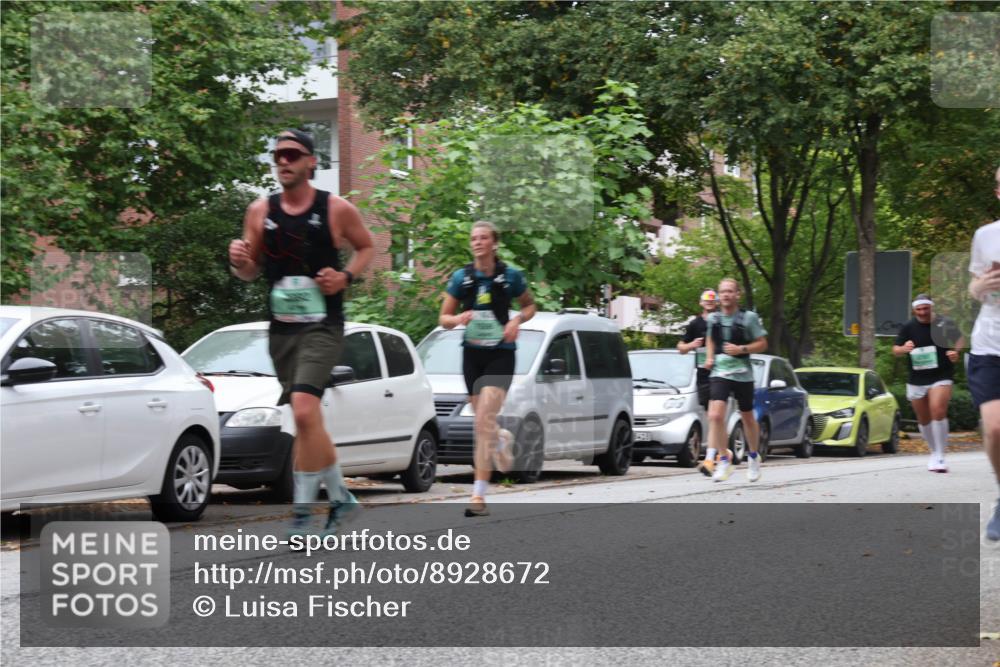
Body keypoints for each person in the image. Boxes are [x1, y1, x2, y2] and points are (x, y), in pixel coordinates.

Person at [229, 129, 374, 538]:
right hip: (282, 331)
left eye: (292, 154)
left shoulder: (335, 209)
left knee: (306, 411)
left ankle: (303, 514)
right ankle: (342, 498)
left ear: (312, 161)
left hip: (322, 326)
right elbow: (249, 271)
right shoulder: (260, 211)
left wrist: (344, 276)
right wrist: (238, 260)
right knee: (307, 420)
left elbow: (367, 247)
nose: (283, 161)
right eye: (277, 155)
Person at [439, 221, 536, 517]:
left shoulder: (510, 276)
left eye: (483, 238)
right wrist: (458, 320)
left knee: (482, 421)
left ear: (494, 243)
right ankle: (501, 437)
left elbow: (530, 306)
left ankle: (478, 497)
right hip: (472, 355)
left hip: (501, 355)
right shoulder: (462, 278)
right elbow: (443, 317)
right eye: (474, 238)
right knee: (484, 425)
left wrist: (516, 320)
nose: (477, 242)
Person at [703, 278, 768, 482]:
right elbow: (711, 338)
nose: (726, 295)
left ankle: (754, 457)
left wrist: (742, 349)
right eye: (722, 291)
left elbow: (762, 343)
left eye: (730, 291)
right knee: (715, 415)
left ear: (737, 294)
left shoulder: (749, 318)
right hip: (720, 372)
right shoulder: (713, 319)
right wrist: (709, 356)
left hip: (743, 373)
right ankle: (723, 460)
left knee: (747, 416)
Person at [892, 295, 964, 473]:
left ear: (932, 307)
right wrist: (904, 349)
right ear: (914, 310)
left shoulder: (944, 323)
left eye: (926, 308)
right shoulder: (908, 327)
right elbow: (895, 350)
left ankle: (940, 454)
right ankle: (934, 451)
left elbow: (960, 338)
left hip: (942, 374)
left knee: (938, 410)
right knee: (923, 419)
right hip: (917, 377)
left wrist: (955, 352)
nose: (923, 312)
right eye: (919, 309)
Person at [968, 165, 1000, 540]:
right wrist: (980, 286)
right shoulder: (986, 236)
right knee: (994, 425)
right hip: (991, 343)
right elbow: (974, 288)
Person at [677, 289, 719, 476]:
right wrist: (692, 345)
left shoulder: (722, 321)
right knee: (711, 415)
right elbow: (681, 348)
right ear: (701, 303)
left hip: (722, 371)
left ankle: (714, 455)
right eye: (706, 301)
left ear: (716, 303)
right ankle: (721, 451)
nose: (709, 303)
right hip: (703, 373)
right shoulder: (695, 324)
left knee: (715, 414)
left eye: (712, 301)